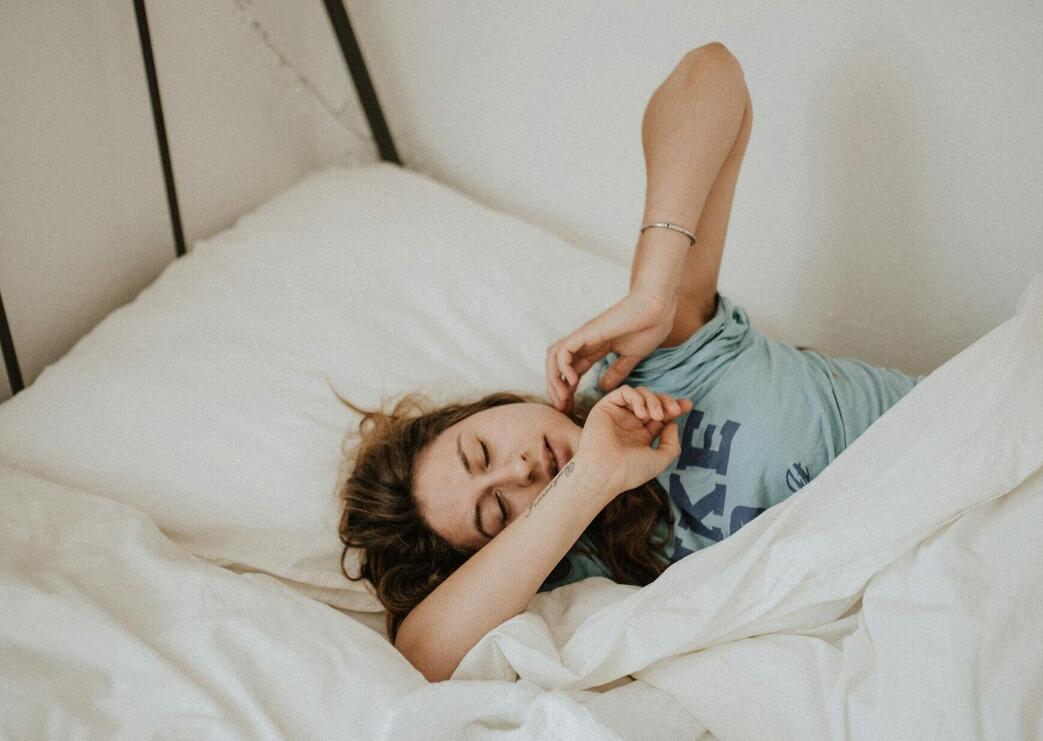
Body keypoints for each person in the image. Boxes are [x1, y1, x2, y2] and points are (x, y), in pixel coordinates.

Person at [335, 42, 922, 683]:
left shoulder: (656, 364)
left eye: (482, 452)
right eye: (499, 510)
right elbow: (422, 655)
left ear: (493, 409)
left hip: (958, 448)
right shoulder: (589, 572)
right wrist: (588, 482)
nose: (520, 468)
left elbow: (712, 74)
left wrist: (654, 289)